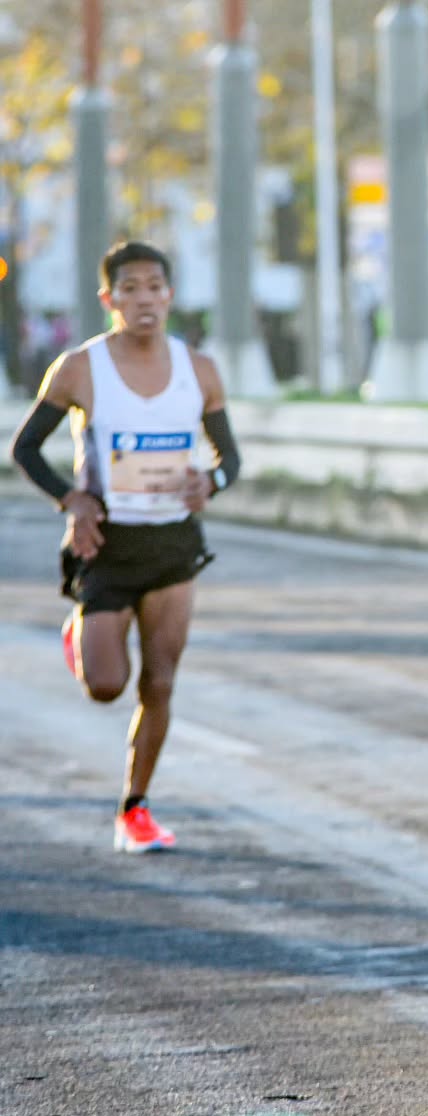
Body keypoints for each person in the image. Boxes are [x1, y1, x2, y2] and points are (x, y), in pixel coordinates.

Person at [9, 240, 241, 853]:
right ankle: (82, 632)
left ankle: (134, 808)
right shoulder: (80, 369)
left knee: (159, 684)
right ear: (109, 298)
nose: (145, 299)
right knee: (107, 686)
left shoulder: (200, 370)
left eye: (155, 287)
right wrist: (73, 500)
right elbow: (25, 448)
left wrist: (207, 481)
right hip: (106, 546)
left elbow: (230, 459)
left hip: (173, 546)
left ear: (169, 295)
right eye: (131, 288)